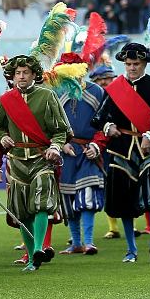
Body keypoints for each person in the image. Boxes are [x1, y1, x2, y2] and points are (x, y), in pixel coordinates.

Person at [91, 41, 150, 263]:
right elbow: (99, 118)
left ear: (144, 63)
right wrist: (108, 127)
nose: (131, 68)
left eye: (136, 63)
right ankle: (131, 249)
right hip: (121, 150)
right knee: (123, 202)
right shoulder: (114, 89)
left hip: (149, 146)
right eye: (128, 64)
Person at [0, 55, 71, 271]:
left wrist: (55, 147)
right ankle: (30, 260)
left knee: (41, 204)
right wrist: (1, 137)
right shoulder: (4, 100)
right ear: (12, 76)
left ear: (34, 74)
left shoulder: (47, 96)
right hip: (16, 161)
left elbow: (61, 129)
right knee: (21, 211)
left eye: (25, 72)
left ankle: (38, 248)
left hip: (41, 158)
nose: (21, 76)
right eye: (17, 73)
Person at [50, 53, 106, 255]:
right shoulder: (55, 93)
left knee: (87, 196)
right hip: (66, 152)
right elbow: (50, 124)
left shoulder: (97, 92)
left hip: (89, 151)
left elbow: (105, 124)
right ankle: (76, 242)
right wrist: (61, 143)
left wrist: (96, 146)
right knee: (68, 198)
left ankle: (89, 242)